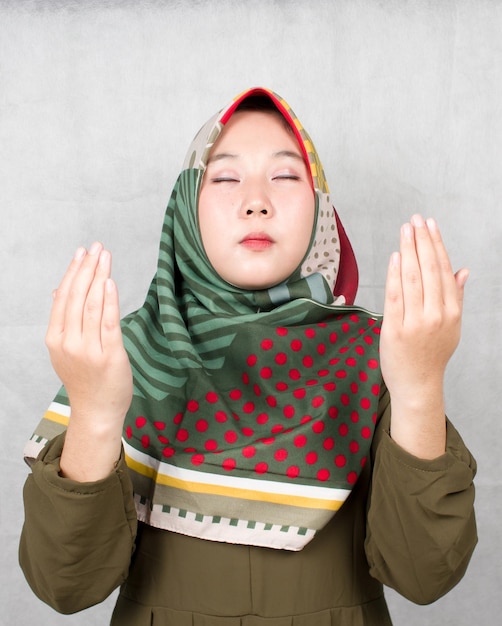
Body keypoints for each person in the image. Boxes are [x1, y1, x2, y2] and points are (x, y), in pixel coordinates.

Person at [19, 87, 477, 625]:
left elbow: (425, 576)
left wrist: (420, 384)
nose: (256, 200)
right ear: (186, 207)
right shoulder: (120, 356)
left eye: (285, 176)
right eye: (225, 177)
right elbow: (64, 586)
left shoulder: (379, 354)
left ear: (320, 206)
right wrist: (95, 414)